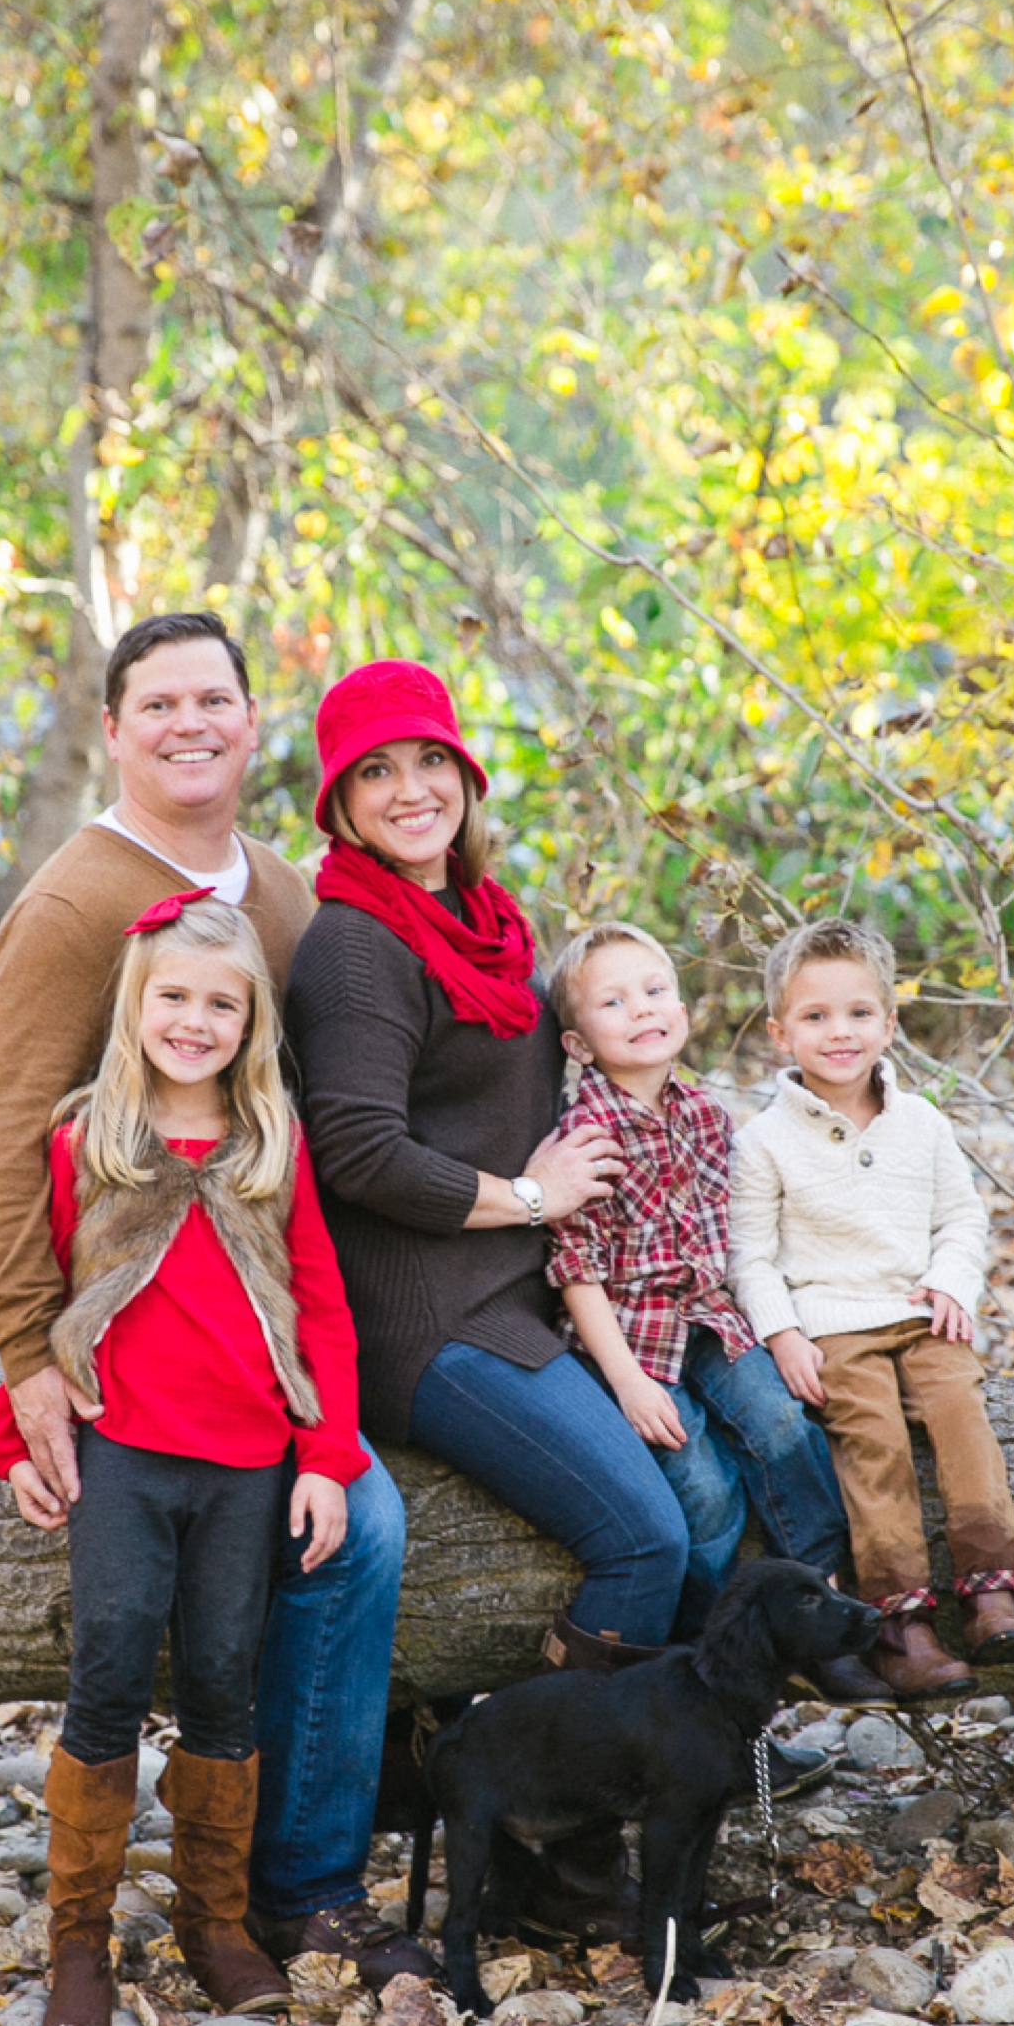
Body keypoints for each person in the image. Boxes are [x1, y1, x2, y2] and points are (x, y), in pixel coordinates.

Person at [0, 610, 431, 1993]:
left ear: (251, 720)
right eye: (156, 703)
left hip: (281, 1333)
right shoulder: (76, 905)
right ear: (113, 729)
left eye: (213, 699)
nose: (189, 724)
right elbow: (4, 1144)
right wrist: (24, 1359)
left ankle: (293, 1855)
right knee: (362, 1539)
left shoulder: (281, 891)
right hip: (139, 1365)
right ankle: (301, 1886)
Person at [286, 661, 733, 1943]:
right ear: (339, 805)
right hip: (428, 1317)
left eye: (426, 760)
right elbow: (356, 1152)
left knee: (719, 1475)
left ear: (465, 774)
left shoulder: (486, 917)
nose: (407, 789)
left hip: (522, 1291)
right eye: (373, 772)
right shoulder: (355, 948)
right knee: (641, 1536)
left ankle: (679, 1790)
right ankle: (547, 1839)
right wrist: (527, 1199)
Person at [0, 893, 367, 2026]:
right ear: (135, 1004)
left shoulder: (269, 1146)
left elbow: (321, 1311)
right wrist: (17, 1442)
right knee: (105, 1669)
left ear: (251, 1019)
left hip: (246, 1461)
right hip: (124, 1456)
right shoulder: (88, 1138)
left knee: (220, 1678)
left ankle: (215, 1920)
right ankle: (78, 1938)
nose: (194, 1020)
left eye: (220, 1001)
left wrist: (325, 1458)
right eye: (174, 997)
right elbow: (41, 1303)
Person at [538, 919, 884, 1716]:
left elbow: (744, 1238)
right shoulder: (584, 1136)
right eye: (614, 1002)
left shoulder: (705, 1114)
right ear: (579, 1042)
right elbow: (576, 1270)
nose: (643, 1010)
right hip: (632, 1343)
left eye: (656, 991)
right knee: (702, 1485)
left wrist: (789, 1324)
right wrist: (624, 1382)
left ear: (684, 1009)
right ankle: (716, 1645)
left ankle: (822, 1604)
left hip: (711, 1320)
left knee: (784, 1426)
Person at [728, 915, 1014, 1696]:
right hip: (834, 1331)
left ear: (890, 1023)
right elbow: (751, 1255)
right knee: (873, 1445)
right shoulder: (763, 1140)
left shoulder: (923, 1123)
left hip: (919, 1314)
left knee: (961, 1410)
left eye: (859, 1013)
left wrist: (951, 1282)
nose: (840, 1032)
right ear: (779, 1033)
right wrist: (785, 1335)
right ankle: (901, 1624)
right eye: (815, 1016)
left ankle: (990, 1590)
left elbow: (963, 1218)